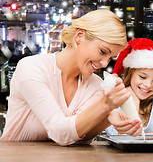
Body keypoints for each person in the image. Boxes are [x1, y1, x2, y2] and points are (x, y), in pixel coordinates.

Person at [0, 9, 130, 146]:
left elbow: (78, 138)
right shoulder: (32, 68)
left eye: (110, 58)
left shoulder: (96, 84)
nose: (104, 63)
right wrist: (104, 105)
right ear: (79, 36)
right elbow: (59, 132)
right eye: (102, 51)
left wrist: (107, 118)